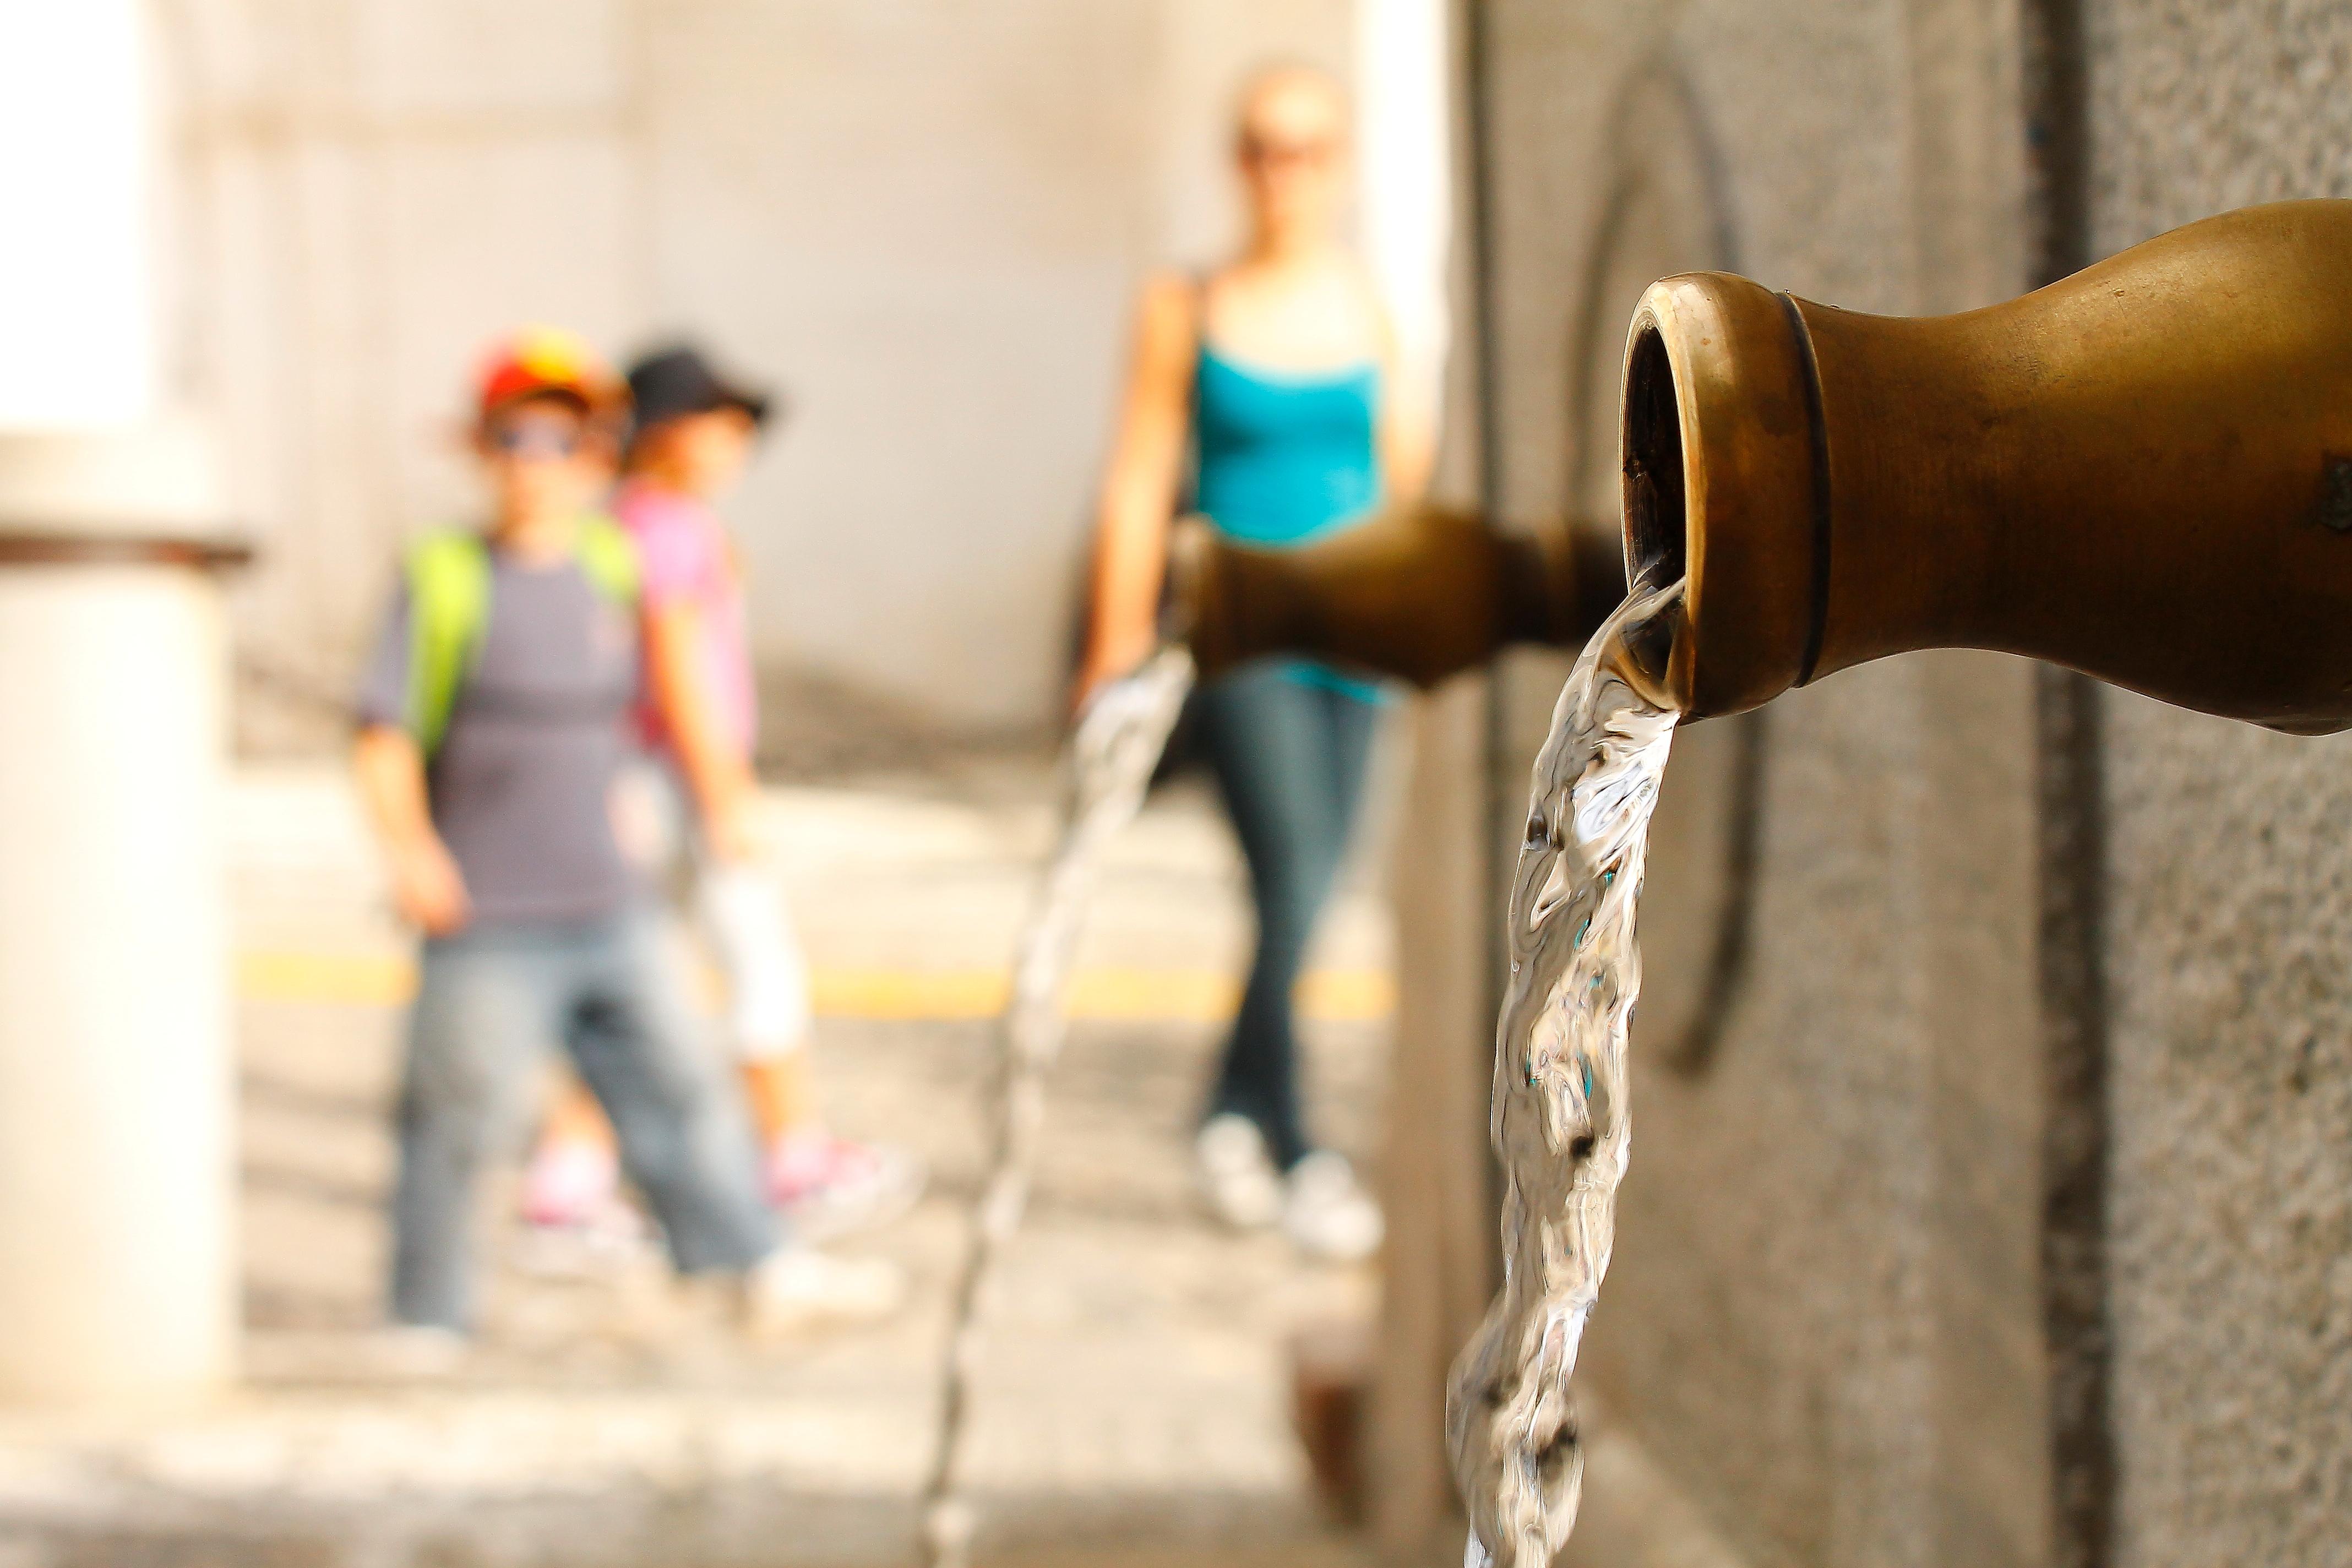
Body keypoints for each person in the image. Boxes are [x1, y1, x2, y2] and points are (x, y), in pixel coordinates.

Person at [351, 326, 901, 1346]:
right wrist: (408, 850)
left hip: (606, 897)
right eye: (517, 439)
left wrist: (698, 801)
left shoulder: (611, 563)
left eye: (566, 442)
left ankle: (750, 1261)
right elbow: (382, 728)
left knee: (682, 1090)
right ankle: (423, 1318)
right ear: (482, 449)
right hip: (487, 907)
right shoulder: (444, 575)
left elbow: (664, 696)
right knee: (453, 1121)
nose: (540, 466)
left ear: (600, 456)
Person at [1076, 65, 1433, 1262]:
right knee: (1289, 877)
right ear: (1238, 163)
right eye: (1264, 149)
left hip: (1356, 641)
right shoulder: (1188, 302)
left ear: (1340, 163)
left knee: (1319, 891)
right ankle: (1294, 1142)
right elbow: (1138, 476)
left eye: (1311, 150)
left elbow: (1403, 479)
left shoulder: (1372, 305)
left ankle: (1230, 1108)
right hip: (1241, 630)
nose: (1287, 174)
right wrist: (1114, 643)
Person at [520, 343, 922, 1243]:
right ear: (664, 432)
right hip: (676, 779)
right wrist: (726, 791)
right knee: (758, 961)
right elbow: (679, 668)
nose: (736, 438)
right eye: (717, 418)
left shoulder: (622, 523)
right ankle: (792, 1155)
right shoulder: (670, 529)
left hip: (631, 781)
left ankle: (571, 1172)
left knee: (629, 973)